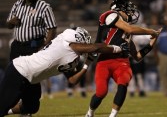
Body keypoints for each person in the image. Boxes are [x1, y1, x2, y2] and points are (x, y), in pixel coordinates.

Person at [0, 26, 128, 117]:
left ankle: (7, 111)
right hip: (19, 70)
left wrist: (87, 64)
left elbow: (73, 80)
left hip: (31, 79)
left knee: (31, 107)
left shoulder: (72, 56)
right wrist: (118, 48)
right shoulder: (69, 43)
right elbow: (96, 47)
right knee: (3, 105)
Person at [85, 0, 161, 117]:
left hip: (122, 62)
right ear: (119, 9)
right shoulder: (110, 15)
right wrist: (151, 31)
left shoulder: (126, 33)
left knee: (123, 82)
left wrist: (151, 44)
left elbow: (137, 57)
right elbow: (129, 29)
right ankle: (90, 113)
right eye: (128, 9)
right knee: (101, 92)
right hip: (104, 59)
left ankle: (113, 115)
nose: (131, 13)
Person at [5, 0, 57, 116]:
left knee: (31, 78)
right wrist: (11, 22)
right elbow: (9, 24)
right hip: (17, 46)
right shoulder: (17, 4)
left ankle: (28, 107)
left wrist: (46, 46)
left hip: (33, 46)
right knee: (15, 77)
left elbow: (52, 28)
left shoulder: (44, 6)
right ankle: (21, 106)